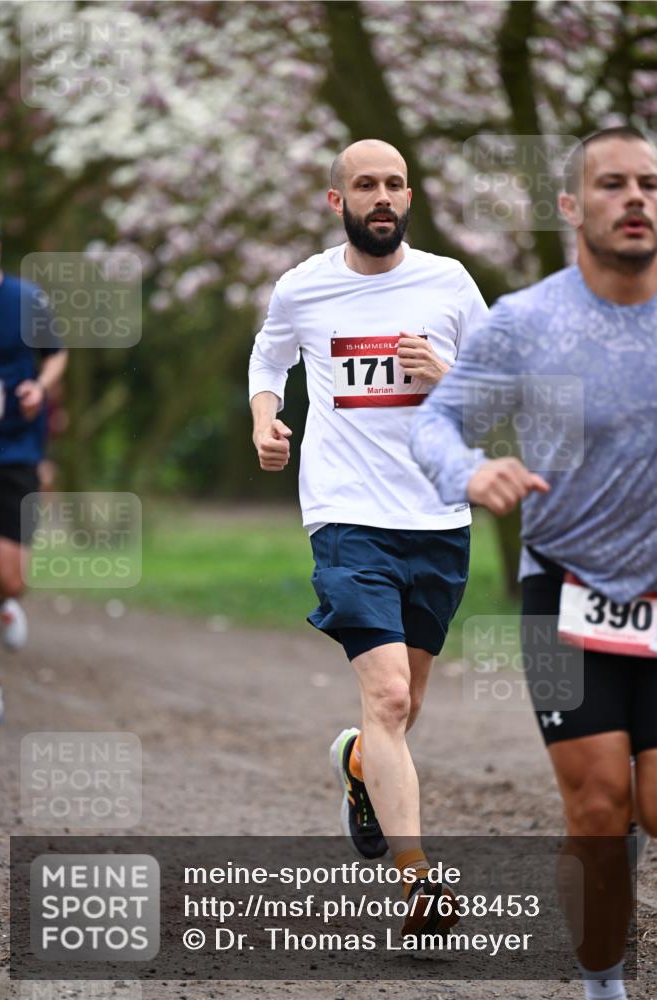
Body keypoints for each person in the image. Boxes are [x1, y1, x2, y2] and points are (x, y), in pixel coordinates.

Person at [410, 126, 657, 997]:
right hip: (562, 593)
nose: (636, 200)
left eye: (650, 185)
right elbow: (434, 422)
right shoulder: (525, 321)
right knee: (597, 809)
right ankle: (601, 980)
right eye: (613, 185)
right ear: (569, 207)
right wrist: (469, 469)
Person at [249, 139, 487, 938]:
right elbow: (268, 354)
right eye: (364, 185)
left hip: (437, 519)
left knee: (404, 706)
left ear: (408, 197)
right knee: (386, 695)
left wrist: (444, 375)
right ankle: (417, 881)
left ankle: (357, 763)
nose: (379, 197)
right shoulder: (304, 287)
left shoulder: (449, 283)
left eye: (392, 184)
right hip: (348, 517)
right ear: (336, 200)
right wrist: (264, 419)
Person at [0, 213, 68, 724]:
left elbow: (57, 354)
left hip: (16, 452)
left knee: (9, 577)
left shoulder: (25, 300)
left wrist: (38, 388)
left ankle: (8, 603)